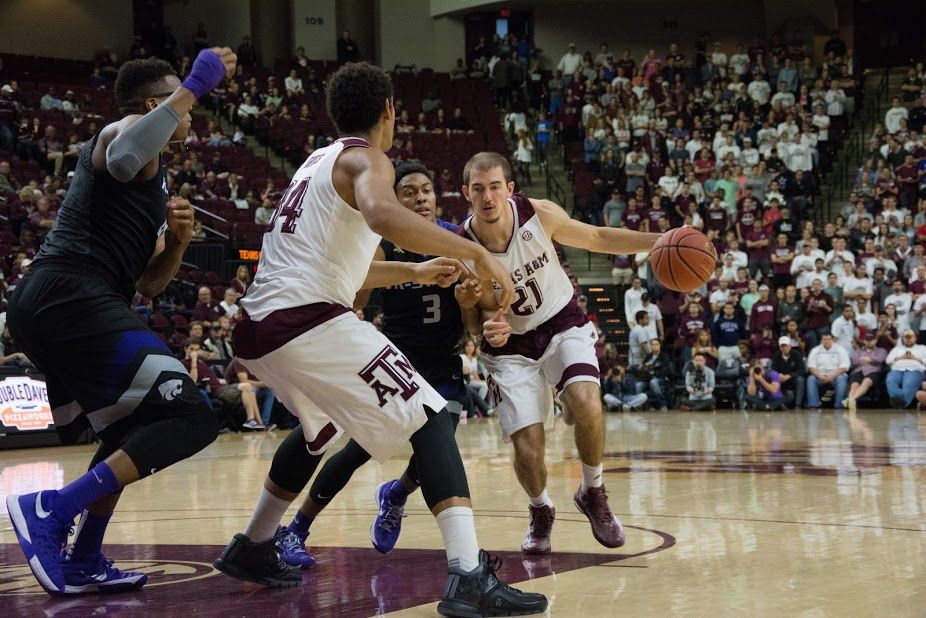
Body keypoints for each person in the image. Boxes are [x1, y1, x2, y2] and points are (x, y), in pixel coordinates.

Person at [212, 63, 544, 616]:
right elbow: (382, 212)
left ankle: (253, 544)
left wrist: (415, 273)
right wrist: (476, 252)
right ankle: (467, 574)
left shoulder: (315, 164)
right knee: (433, 416)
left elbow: (351, 271)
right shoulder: (369, 158)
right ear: (389, 109)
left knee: (318, 430)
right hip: (305, 318)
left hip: (261, 324)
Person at [4, 49, 237, 595]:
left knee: (130, 429)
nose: (192, 114)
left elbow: (151, 285)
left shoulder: (156, 177)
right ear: (157, 104)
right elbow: (129, 153)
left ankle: (84, 555)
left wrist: (177, 244)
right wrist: (198, 83)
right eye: (182, 104)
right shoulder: (124, 129)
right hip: (68, 292)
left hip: (73, 299)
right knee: (193, 417)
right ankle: (51, 509)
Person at [457, 150, 660, 556]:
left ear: (509, 189)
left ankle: (593, 490)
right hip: (511, 348)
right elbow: (474, 321)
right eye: (478, 189)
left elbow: (598, 238)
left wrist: (659, 241)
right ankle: (541, 508)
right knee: (529, 449)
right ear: (466, 194)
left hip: (561, 323)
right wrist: (485, 330)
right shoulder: (460, 248)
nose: (488, 197)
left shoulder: (539, 213)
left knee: (587, 403)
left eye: (495, 187)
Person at [805, 333, 850, 409]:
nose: (826, 341)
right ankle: (814, 405)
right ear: (821, 341)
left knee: (841, 379)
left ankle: (839, 405)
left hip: (836, 376)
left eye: (828, 339)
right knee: (811, 379)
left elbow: (844, 367)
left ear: (832, 340)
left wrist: (832, 376)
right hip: (820, 376)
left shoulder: (840, 349)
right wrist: (820, 376)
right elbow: (811, 367)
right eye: (824, 339)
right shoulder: (815, 350)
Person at [845, 332, 887, 411]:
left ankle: (851, 399)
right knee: (854, 384)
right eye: (867, 340)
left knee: (866, 381)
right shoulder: (858, 351)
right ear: (864, 341)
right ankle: (851, 401)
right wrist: (871, 361)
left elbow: (879, 360)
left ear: (875, 341)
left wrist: (868, 360)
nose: (869, 342)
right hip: (858, 371)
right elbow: (855, 361)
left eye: (871, 340)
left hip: (873, 372)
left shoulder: (881, 350)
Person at [885, 330, 926, 409]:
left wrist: (915, 358)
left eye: (910, 336)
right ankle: (901, 402)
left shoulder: (922, 348)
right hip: (897, 369)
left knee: (909, 384)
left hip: (914, 369)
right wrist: (901, 357)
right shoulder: (897, 349)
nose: (908, 339)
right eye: (906, 337)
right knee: (890, 380)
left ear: (915, 338)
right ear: (903, 339)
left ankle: (899, 403)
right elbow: (888, 360)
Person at [771, 336, 806, 410]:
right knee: (774, 380)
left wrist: (790, 376)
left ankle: (798, 405)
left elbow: (802, 370)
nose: (784, 348)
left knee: (800, 380)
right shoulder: (776, 356)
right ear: (779, 347)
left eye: (786, 346)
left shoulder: (797, 354)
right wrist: (778, 375)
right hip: (781, 379)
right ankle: (780, 404)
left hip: (793, 378)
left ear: (790, 346)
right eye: (782, 346)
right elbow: (773, 369)